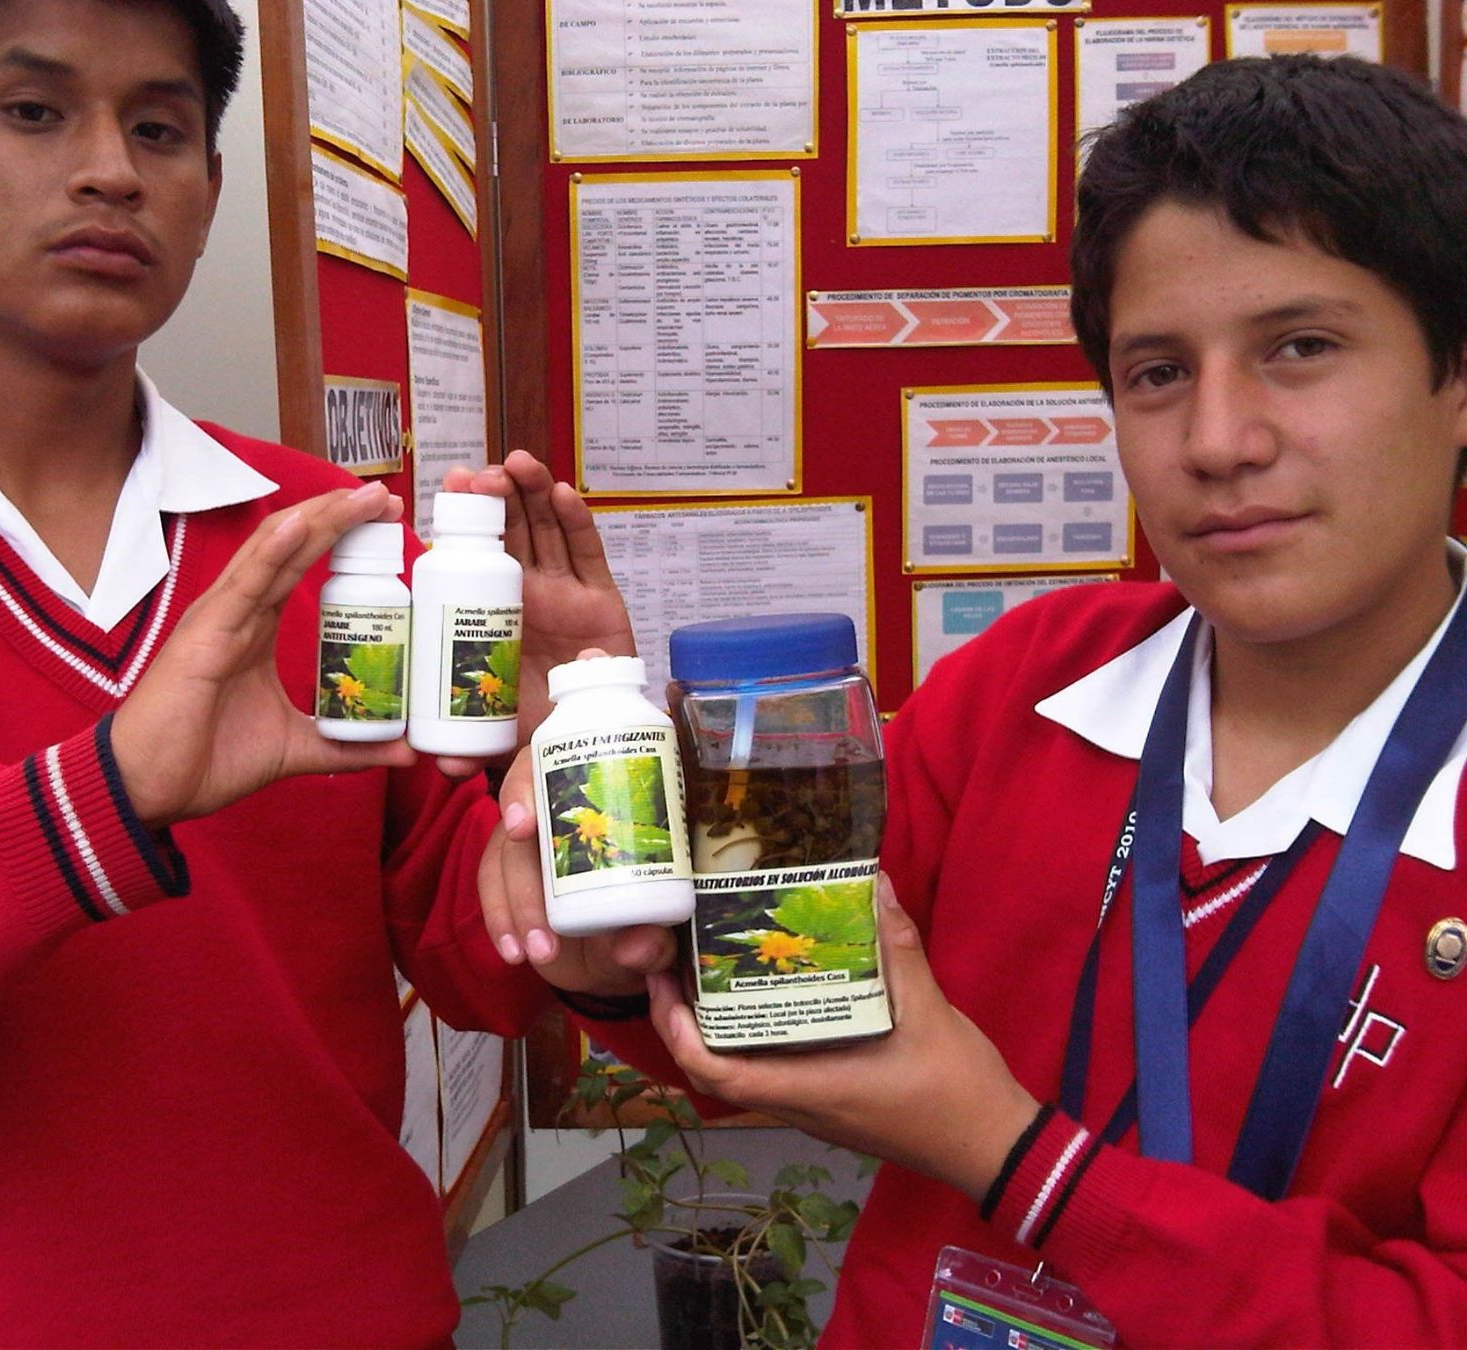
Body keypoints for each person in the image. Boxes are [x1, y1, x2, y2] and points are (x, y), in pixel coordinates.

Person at [0, 0, 671, 1344]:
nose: (110, 170)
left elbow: (486, 952)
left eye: (161, 128)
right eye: (34, 112)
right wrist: (96, 802)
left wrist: (588, 816)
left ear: (206, 195)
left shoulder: (331, 533)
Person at [488, 55, 1467, 1343]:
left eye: (1301, 347)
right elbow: (795, 1011)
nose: (1221, 440)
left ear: (1456, 376)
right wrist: (621, 935)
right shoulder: (1034, 681)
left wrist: (1016, 1156)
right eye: (1157, 370)